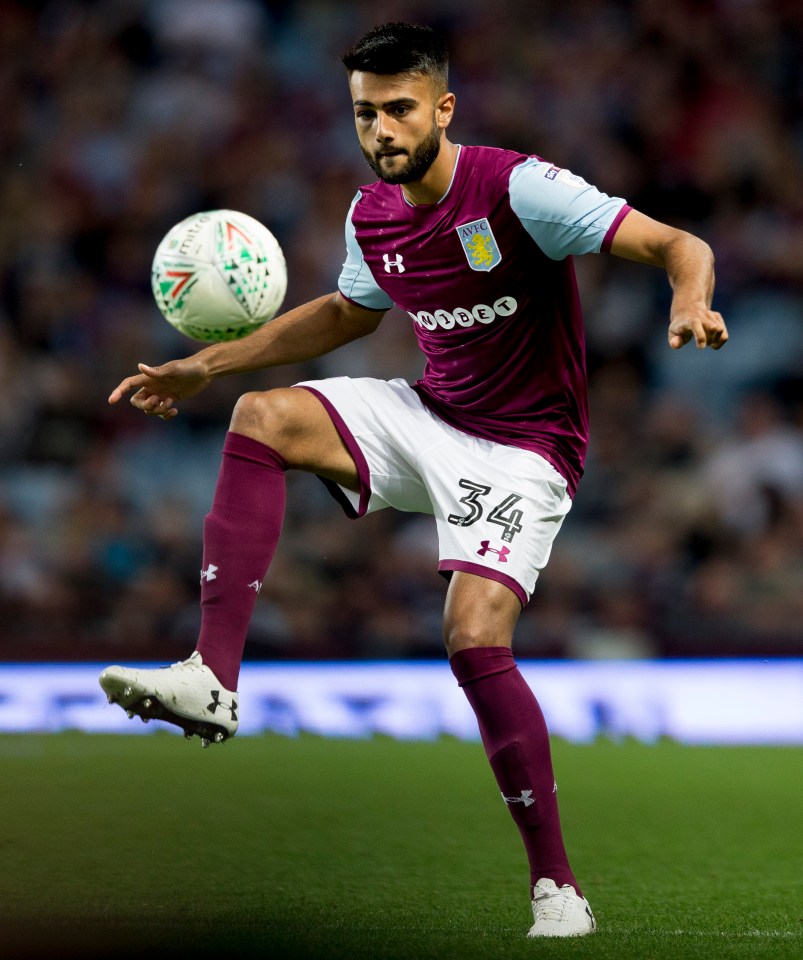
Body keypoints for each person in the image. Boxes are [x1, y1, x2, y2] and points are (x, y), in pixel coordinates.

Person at [99, 22, 728, 938]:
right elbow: (345, 314)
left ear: (442, 107)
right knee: (261, 417)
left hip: (524, 449)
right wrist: (210, 364)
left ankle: (556, 887)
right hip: (431, 415)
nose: (381, 130)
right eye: (365, 113)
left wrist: (690, 298)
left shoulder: (518, 188)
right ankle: (211, 676)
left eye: (399, 109)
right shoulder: (371, 215)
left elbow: (680, 244)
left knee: (471, 637)